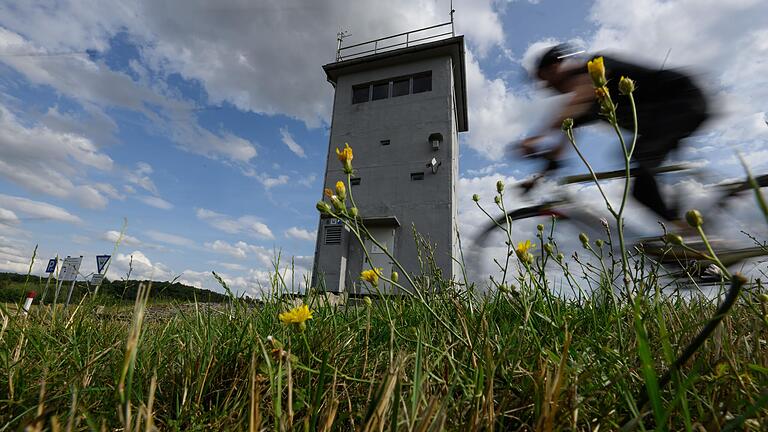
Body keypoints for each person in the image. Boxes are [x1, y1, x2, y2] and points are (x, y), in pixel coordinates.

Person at [520, 44, 710, 228]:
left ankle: (687, 236)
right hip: (663, 121)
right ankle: (681, 231)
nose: (547, 87)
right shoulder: (582, 107)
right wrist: (537, 179)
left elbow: (580, 98)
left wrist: (536, 137)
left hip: (683, 101)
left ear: (555, 67)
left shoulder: (596, 67)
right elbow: (560, 146)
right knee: (640, 175)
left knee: (640, 180)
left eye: (545, 79)